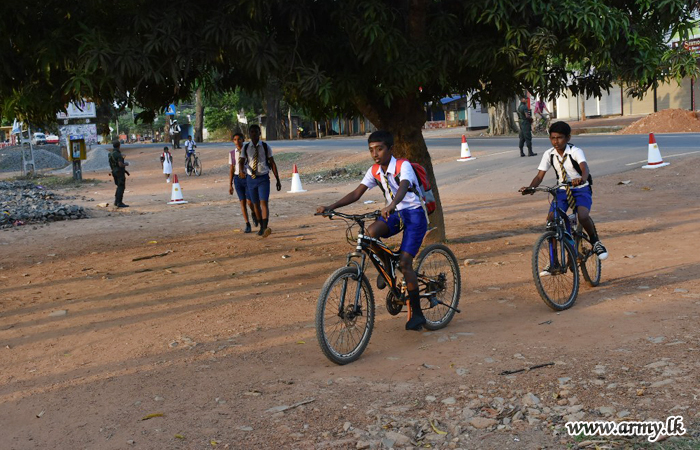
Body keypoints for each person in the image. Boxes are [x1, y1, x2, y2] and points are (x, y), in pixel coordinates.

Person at [316, 130, 429, 331]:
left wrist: (391, 204)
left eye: (379, 149)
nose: (375, 154)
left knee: (405, 263)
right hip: (395, 213)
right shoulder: (374, 170)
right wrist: (331, 207)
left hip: (414, 213)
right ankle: (387, 268)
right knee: (369, 234)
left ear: (390, 149)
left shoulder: (403, 166)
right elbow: (357, 193)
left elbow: (403, 187)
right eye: (371, 150)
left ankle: (418, 314)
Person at [519, 121, 609, 270]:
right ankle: (554, 261)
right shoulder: (549, 154)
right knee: (551, 220)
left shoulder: (575, 151)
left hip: (580, 189)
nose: (556, 141)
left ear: (568, 138)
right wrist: (531, 188)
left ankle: (595, 241)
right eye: (553, 138)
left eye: (560, 138)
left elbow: (584, 168)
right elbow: (540, 176)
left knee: (583, 215)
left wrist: (582, 179)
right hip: (562, 190)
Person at [239, 124, 282, 237]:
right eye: (252, 132)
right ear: (249, 134)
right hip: (251, 178)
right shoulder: (246, 147)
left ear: (259, 133)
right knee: (255, 204)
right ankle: (260, 223)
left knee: (264, 202)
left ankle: (264, 227)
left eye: (256, 132)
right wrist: (241, 171)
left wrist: (277, 179)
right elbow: (241, 161)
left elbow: (272, 163)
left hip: (263, 178)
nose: (254, 134)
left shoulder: (265, 147)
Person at [228, 133, 258, 233]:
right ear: (233, 141)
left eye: (239, 139)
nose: (237, 141)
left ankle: (253, 212)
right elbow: (231, 169)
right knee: (242, 202)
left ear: (243, 140)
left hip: (247, 178)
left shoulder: (248, 151)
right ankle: (247, 223)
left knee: (249, 201)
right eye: (235, 139)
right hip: (237, 179)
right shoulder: (232, 153)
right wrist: (230, 184)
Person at [108, 140, 129, 208]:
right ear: (119, 145)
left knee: (119, 186)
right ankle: (119, 202)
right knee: (121, 186)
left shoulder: (110, 154)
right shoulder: (118, 154)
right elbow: (120, 164)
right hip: (119, 172)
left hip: (114, 171)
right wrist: (125, 164)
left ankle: (116, 201)